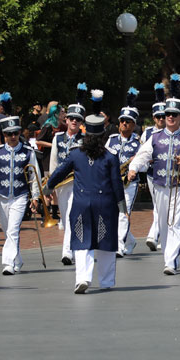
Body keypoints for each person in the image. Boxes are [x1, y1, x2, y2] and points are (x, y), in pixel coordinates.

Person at [46, 112, 125, 293]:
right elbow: (116, 183)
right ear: (102, 136)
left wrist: (48, 186)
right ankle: (105, 281)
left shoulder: (76, 155)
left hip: (81, 203)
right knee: (106, 243)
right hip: (105, 204)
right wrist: (122, 204)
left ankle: (82, 278)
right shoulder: (110, 156)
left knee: (82, 241)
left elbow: (60, 171)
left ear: (86, 134)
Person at [127, 74, 180, 275]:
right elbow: (143, 155)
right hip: (160, 184)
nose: (170, 117)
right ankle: (171, 258)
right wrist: (133, 168)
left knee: (175, 222)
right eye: (167, 114)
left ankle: (170, 262)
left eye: (174, 114)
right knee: (163, 223)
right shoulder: (154, 137)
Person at [0, 116, 42, 275]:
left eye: (15, 133)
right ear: (4, 135)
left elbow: (35, 175)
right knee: (8, 230)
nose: (12, 137)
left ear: (20, 133)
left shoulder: (28, 152)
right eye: (9, 134)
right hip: (2, 196)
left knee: (13, 230)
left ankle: (7, 263)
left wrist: (35, 197)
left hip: (21, 196)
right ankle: (18, 260)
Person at [49, 84, 88, 265]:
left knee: (73, 215)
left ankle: (67, 252)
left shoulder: (85, 140)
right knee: (65, 218)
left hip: (78, 183)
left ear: (81, 122)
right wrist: (50, 184)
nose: (74, 121)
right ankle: (72, 247)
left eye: (77, 119)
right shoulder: (58, 138)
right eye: (71, 118)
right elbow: (54, 162)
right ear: (67, 120)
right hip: (62, 184)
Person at [106, 89, 142, 257]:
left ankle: (119, 245)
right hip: (112, 182)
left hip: (129, 183)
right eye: (122, 121)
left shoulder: (138, 143)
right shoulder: (111, 139)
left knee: (123, 213)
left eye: (128, 121)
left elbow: (145, 164)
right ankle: (130, 240)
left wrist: (135, 168)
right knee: (113, 213)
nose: (124, 124)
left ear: (134, 124)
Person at [141, 83, 167, 250]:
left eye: (164, 116)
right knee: (157, 205)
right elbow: (143, 152)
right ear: (153, 117)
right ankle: (156, 236)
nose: (161, 120)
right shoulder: (148, 132)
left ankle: (154, 235)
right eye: (158, 117)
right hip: (152, 174)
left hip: (168, 174)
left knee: (162, 206)